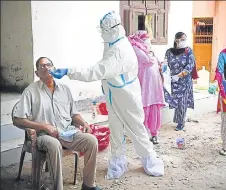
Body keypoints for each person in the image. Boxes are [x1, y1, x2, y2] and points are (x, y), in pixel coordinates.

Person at [49, 11, 164, 179]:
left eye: (103, 30)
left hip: (127, 98)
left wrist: (69, 71)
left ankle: (150, 160)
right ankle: (118, 161)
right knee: (116, 130)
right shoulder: (112, 43)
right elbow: (105, 70)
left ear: (111, 29)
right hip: (114, 95)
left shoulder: (120, 51)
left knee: (136, 131)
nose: (102, 34)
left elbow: (98, 70)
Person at [13, 57, 100, 190]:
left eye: (49, 65)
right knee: (54, 145)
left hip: (67, 133)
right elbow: (17, 120)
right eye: (42, 66)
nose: (47, 68)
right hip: (43, 135)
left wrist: (85, 123)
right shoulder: (30, 91)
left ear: (54, 69)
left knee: (91, 141)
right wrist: (44, 126)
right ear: (37, 73)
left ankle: (89, 185)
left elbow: (74, 114)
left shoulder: (65, 89)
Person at [128, 30, 165, 145]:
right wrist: (138, 46)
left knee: (154, 112)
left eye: (149, 42)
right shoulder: (136, 50)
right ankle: (142, 136)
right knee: (143, 112)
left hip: (155, 89)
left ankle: (154, 135)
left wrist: (162, 65)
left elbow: (158, 63)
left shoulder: (150, 52)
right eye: (146, 42)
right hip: (144, 89)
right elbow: (146, 60)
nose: (149, 44)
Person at [163, 32, 196, 131]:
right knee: (176, 101)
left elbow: (190, 65)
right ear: (176, 40)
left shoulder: (188, 51)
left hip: (185, 81)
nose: (184, 41)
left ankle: (181, 122)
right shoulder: (169, 52)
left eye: (185, 39)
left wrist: (180, 75)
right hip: (173, 81)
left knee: (182, 101)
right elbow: (165, 64)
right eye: (182, 39)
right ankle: (178, 120)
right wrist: (165, 73)